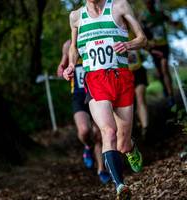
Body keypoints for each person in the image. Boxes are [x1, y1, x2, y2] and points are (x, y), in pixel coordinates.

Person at [63, 0, 147, 199]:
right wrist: (72, 65)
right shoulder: (76, 16)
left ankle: (130, 147)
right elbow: (74, 48)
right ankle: (120, 186)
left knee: (122, 143)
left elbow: (143, 39)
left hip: (122, 78)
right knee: (108, 131)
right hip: (96, 81)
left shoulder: (119, 6)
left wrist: (128, 44)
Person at [57, 39, 110, 184]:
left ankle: (101, 168)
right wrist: (63, 70)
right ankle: (87, 146)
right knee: (84, 130)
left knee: (99, 133)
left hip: (96, 91)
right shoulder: (68, 45)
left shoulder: (94, 37)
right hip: (79, 95)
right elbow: (60, 69)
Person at [142, 0, 174, 107]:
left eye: (150, 3)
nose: (149, 5)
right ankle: (166, 89)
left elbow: (170, 21)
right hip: (154, 47)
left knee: (164, 68)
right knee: (160, 72)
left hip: (163, 45)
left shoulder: (160, 14)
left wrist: (174, 22)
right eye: (147, 3)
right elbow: (142, 33)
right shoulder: (144, 17)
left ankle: (170, 95)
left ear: (153, 3)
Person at [128, 50, 149, 139]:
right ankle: (136, 125)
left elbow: (146, 46)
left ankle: (146, 128)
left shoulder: (136, 35)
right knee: (130, 103)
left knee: (140, 98)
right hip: (124, 74)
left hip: (138, 71)